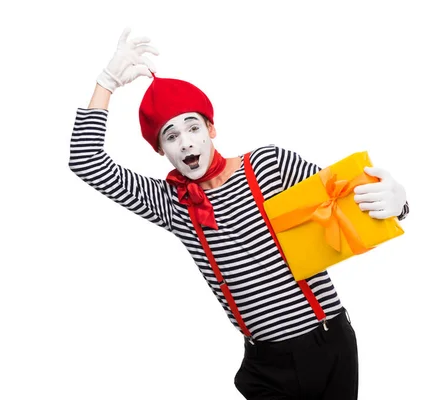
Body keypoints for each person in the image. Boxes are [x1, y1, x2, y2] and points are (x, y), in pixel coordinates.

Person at [68, 27, 409, 400]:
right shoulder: (171, 203)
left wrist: (399, 202)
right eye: (170, 135)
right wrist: (106, 83)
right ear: (161, 149)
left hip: (326, 343)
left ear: (211, 128)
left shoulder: (269, 165)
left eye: (192, 127)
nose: (185, 142)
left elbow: (347, 195)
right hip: (264, 365)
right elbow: (86, 162)